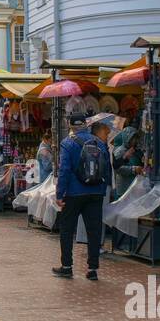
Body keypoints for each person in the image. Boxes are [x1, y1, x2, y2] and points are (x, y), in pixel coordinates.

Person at [52, 113, 112, 281]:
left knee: (67, 229)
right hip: (95, 193)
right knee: (94, 231)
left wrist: (59, 194)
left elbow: (64, 170)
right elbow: (107, 167)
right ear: (85, 124)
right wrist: (102, 189)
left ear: (71, 126)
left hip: (73, 193)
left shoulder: (68, 143)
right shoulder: (99, 142)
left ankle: (67, 267)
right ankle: (92, 269)